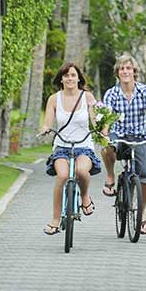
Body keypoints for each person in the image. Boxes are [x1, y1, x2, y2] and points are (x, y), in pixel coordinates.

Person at [101, 53, 146, 235]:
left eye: (128, 68)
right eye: (122, 68)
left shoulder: (145, 91)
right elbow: (106, 118)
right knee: (106, 146)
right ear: (117, 72)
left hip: (139, 137)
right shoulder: (111, 93)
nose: (125, 71)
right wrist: (105, 135)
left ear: (134, 72)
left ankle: (142, 213)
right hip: (119, 134)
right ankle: (110, 177)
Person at [37, 61, 103, 235]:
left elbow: (96, 120)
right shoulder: (54, 99)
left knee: (82, 171)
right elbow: (47, 122)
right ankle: (55, 220)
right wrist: (45, 129)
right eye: (66, 75)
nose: (70, 78)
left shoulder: (87, 97)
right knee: (62, 176)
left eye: (73, 75)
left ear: (79, 78)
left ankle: (85, 197)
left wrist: (102, 130)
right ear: (61, 79)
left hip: (84, 146)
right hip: (62, 146)